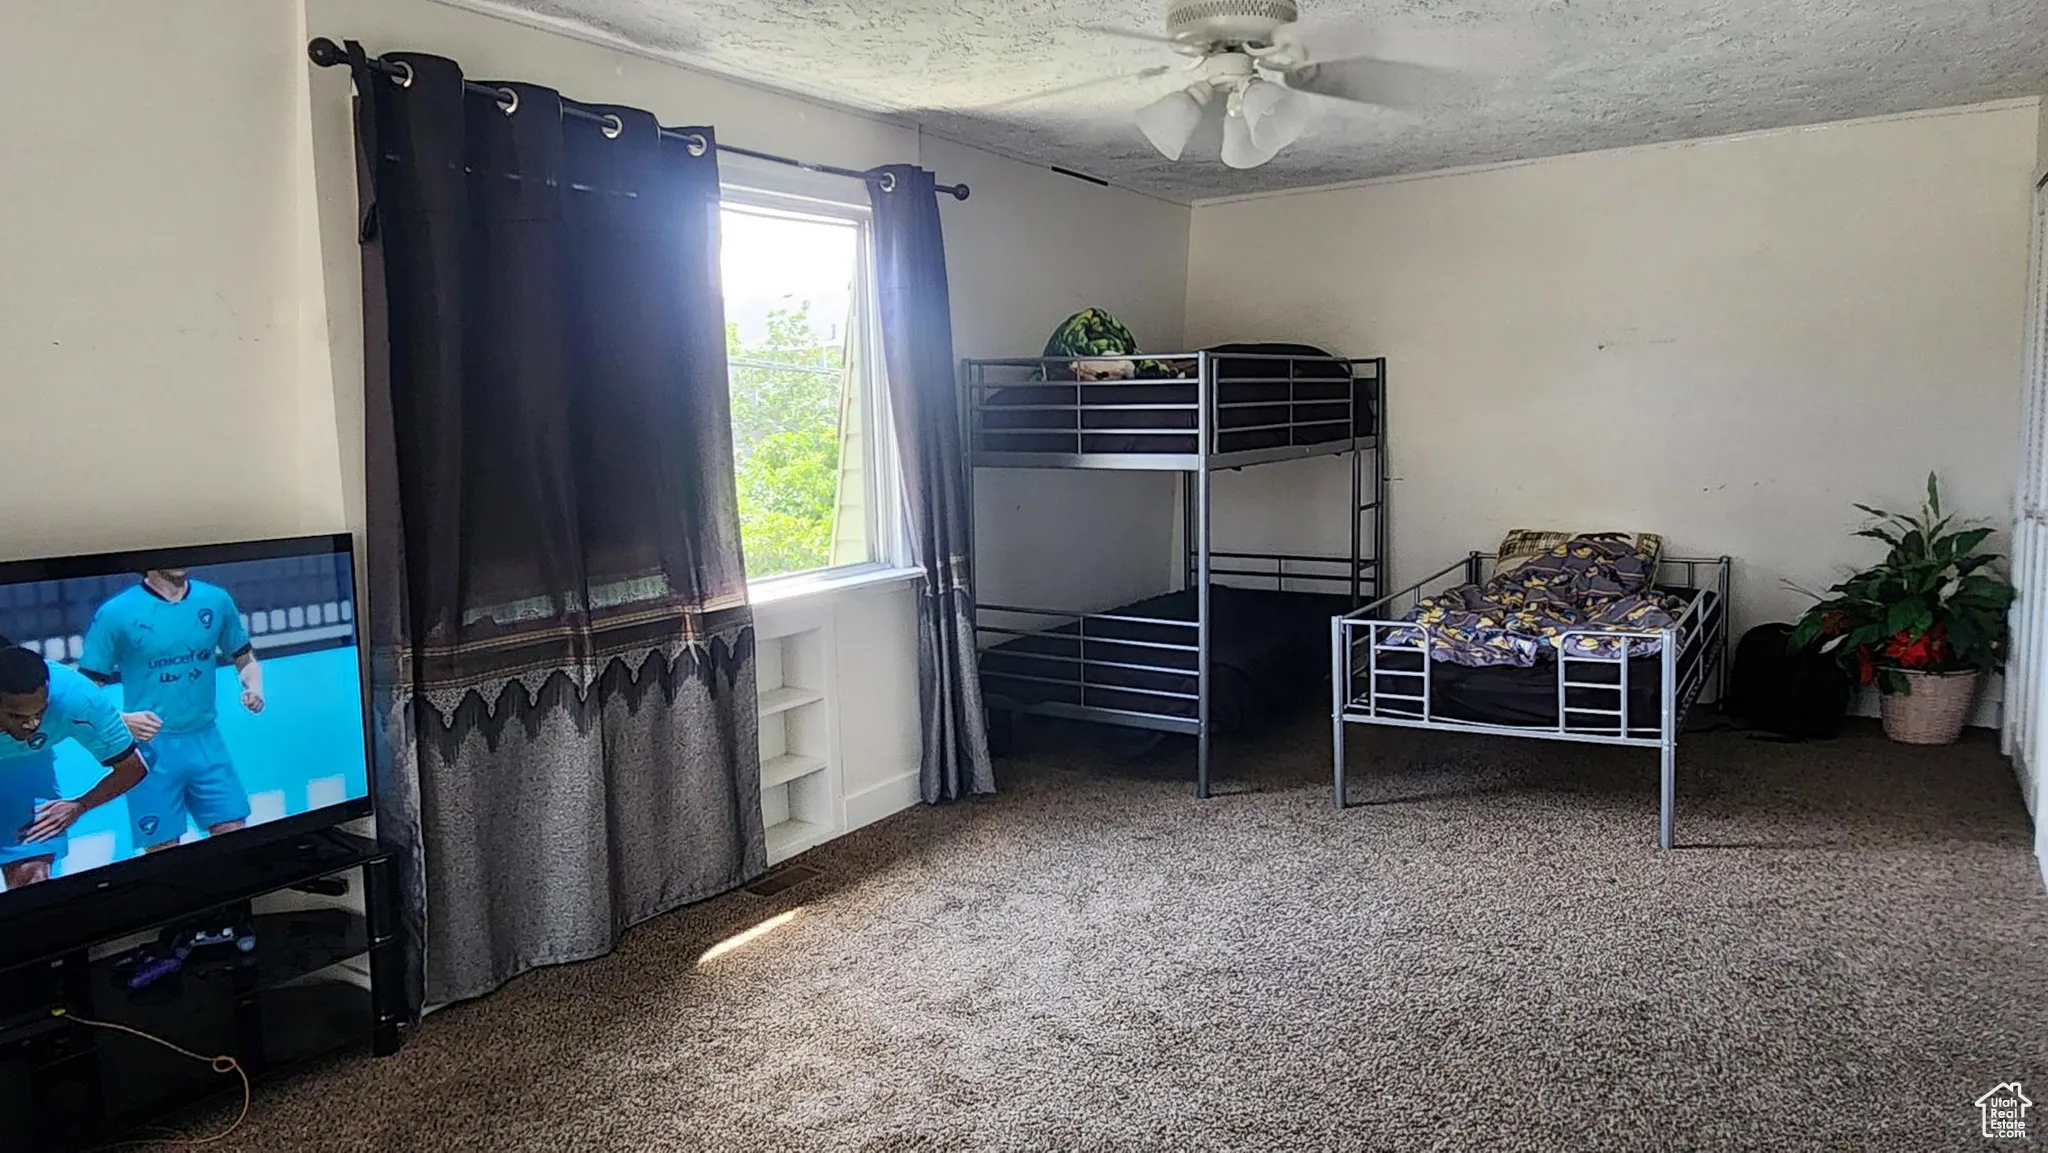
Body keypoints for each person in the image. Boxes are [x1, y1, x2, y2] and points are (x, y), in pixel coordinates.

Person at [81, 569, 264, 853]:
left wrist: (254, 687)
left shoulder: (215, 600)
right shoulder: (115, 613)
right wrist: (123, 720)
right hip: (151, 752)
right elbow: (85, 692)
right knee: (163, 852)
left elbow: (245, 658)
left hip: (206, 742)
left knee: (234, 835)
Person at [0, 643, 149, 890]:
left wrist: (79, 806)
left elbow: (133, 767)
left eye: (41, 712)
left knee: (32, 879)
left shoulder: (76, 697)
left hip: (25, 765)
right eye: (17, 716)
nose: (32, 724)